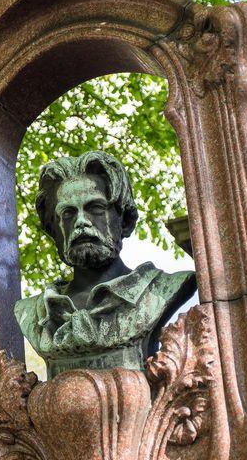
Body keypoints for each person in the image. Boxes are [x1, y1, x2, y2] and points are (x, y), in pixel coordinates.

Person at [14, 150, 195, 378]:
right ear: (53, 232)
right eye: (68, 213)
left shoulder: (164, 290)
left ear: (125, 222)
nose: (81, 222)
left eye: (95, 208)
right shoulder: (33, 312)